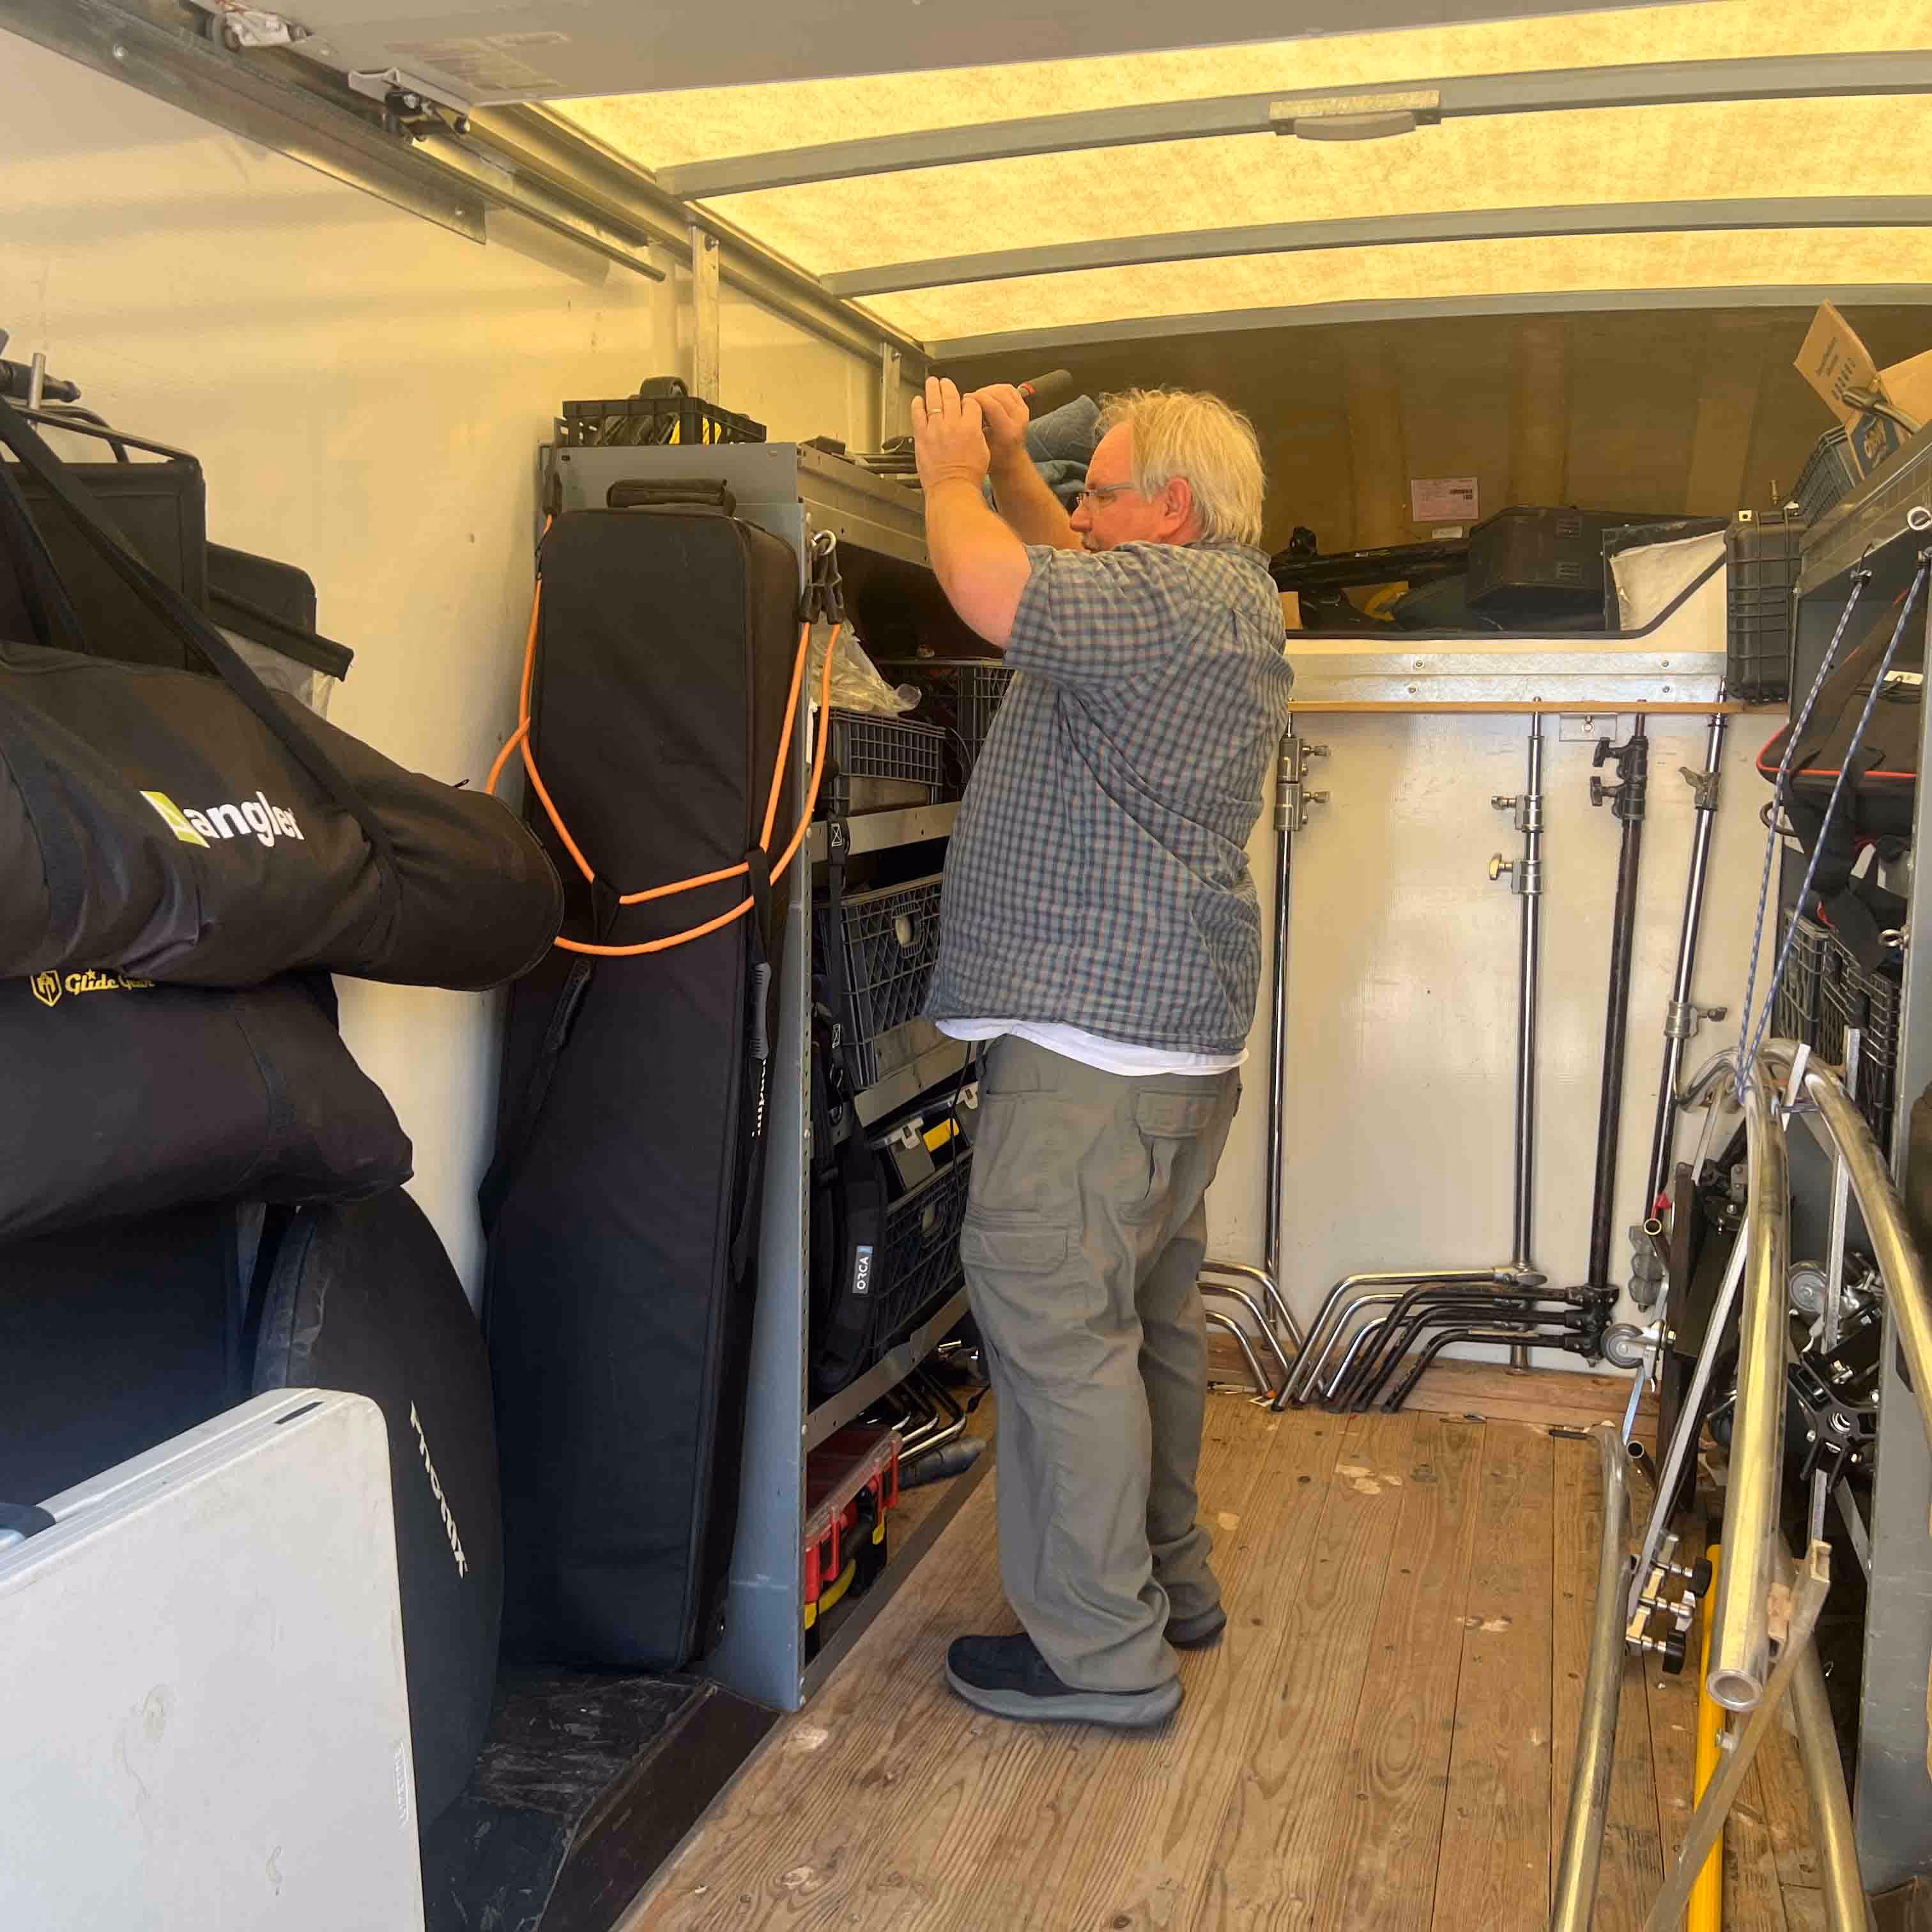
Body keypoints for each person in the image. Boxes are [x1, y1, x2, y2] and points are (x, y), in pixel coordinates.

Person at [908, 376, 1295, 1728]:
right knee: (1145, 1329)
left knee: (1057, 1330)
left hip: (1090, 1054)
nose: (1080, 512)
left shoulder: (1167, 600)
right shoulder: (1215, 601)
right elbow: (1059, 559)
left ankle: (1100, 1657)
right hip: (1164, 1052)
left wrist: (950, 473)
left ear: (1171, 509)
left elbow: (992, 587)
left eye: (1102, 491)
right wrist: (1023, 463)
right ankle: (1169, 1584)